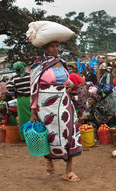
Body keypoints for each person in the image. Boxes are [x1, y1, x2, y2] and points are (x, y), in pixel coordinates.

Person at [30, 41, 82, 182]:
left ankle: (69, 171)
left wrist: (70, 84)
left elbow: (66, 82)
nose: (56, 49)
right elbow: (33, 89)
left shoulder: (62, 62)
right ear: (45, 48)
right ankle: (48, 159)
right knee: (49, 135)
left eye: (57, 46)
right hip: (46, 106)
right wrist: (33, 111)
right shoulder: (38, 65)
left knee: (70, 133)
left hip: (64, 104)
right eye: (52, 46)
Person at [6, 62, 31, 141]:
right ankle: (34, 134)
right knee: (33, 116)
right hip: (31, 99)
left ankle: (24, 137)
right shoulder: (30, 76)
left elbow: (9, 87)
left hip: (21, 100)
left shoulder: (14, 78)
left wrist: (16, 90)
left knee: (23, 119)